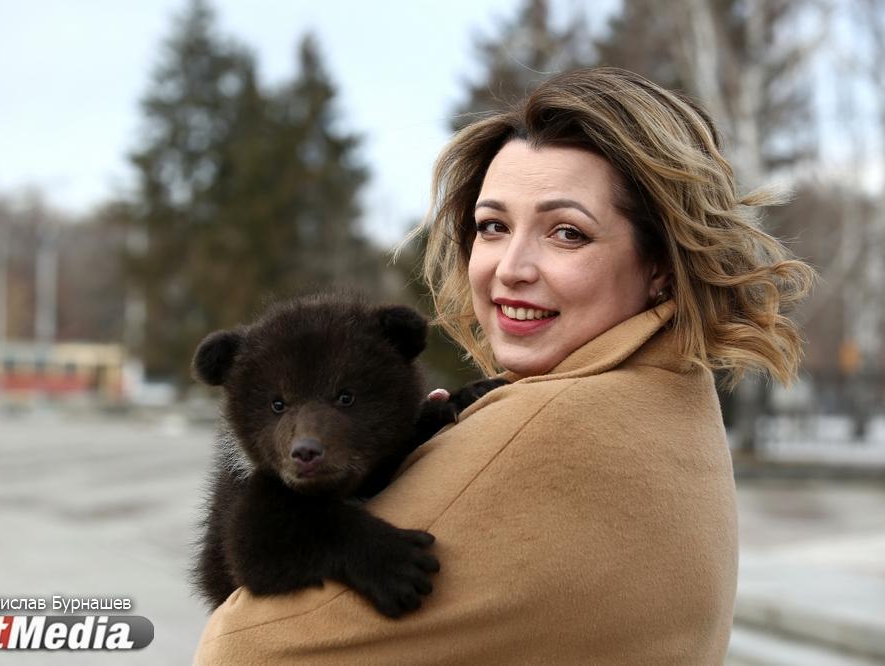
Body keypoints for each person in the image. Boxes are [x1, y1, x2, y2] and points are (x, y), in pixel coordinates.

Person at [192, 67, 814, 664]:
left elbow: (241, 651)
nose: (511, 266)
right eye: (492, 227)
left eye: (567, 232)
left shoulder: (551, 426)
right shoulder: (673, 398)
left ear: (659, 265)